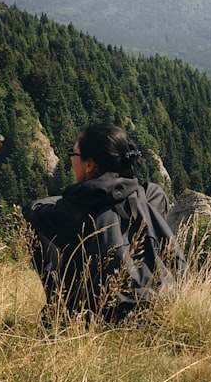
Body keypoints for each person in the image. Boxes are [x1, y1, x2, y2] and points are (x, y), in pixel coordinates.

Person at [22, 122, 186, 323]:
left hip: (98, 312)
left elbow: (34, 211)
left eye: (73, 155)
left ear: (89, 165)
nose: (71, 160)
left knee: (36, 223)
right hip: (157, 301)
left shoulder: (75, 209)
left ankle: (58, 307)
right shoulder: (148, 197)